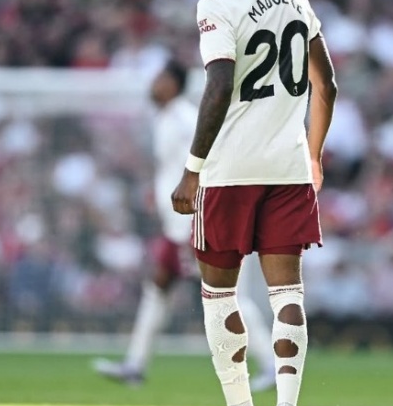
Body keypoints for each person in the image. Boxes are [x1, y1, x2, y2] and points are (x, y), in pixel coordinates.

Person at [171, 0, 337, 406]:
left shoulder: (217, 6)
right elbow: (326, 84)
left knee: (219, 294)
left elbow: (219, 86)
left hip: (230, 173)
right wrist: (313, 156)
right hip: (288, 170)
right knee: (287, 292)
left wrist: (192, 170)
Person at [93, 60, 275, 389]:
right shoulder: (165, 118)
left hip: (193, 223)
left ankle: (272, 364)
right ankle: (134, 365)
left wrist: (201, 213)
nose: (153, 85)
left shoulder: (184, 119)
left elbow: (212, 159)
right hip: (174, 226)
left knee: (224, 293)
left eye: (160, 78)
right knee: (157, 288)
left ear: (174, 85)